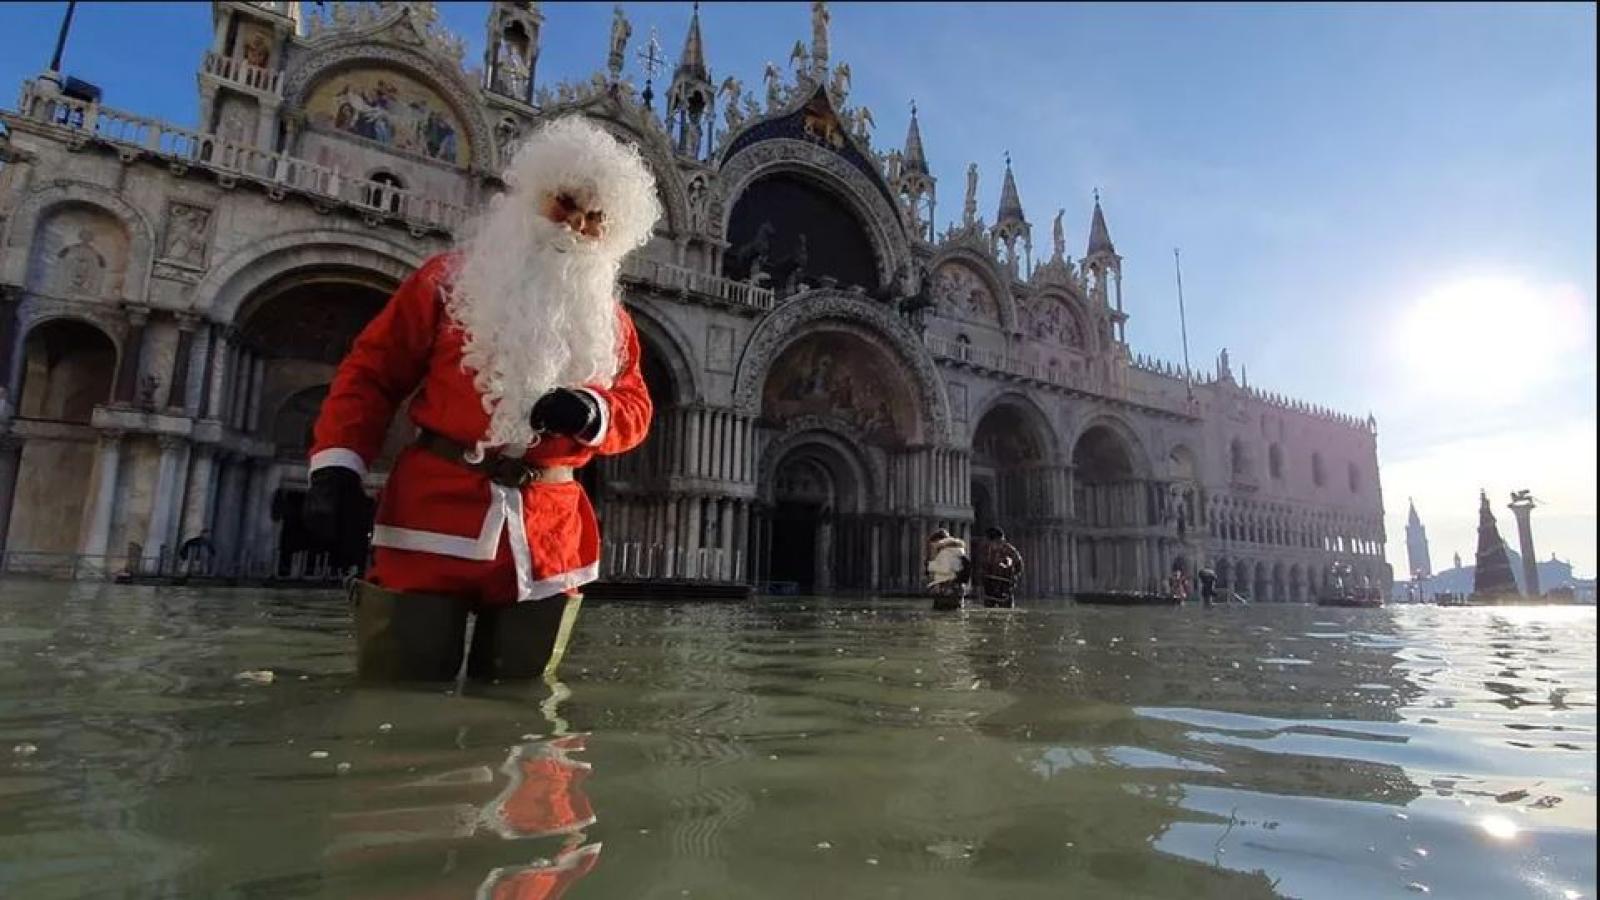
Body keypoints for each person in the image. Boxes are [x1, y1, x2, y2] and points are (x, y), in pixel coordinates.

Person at [303, 116, 661, 683]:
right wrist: (337, 470)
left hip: (548, 544)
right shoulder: (446, 281)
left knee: (527, 726)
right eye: (565, 203)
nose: (576, 225)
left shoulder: (613, 323)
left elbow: (636, 408)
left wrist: (596, 415)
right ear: (531, 196)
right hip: (432, 523)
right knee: (399, 708)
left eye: (597, 219)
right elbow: (372, 373)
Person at [924, 528, 970, 610]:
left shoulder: (946, 552)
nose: (932, 547)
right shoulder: (956, 551)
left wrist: (930, 566)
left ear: (938, 541)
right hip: (956, 588)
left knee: (941, 613)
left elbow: (945, 569)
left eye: (933, 544)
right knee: (954, 612)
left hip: (946, 589)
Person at [978, 527, 1023, 608]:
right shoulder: (985, 549)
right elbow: (982, 565)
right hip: (990, 586)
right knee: (989, 610)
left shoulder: (1010, 550)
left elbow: (1019, 564)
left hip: (1004, 585)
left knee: (1006, 609)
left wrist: (1014, 577)